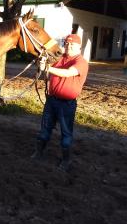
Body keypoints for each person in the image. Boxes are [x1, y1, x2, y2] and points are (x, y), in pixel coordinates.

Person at [31, 34, 89, 171]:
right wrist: (42, 61)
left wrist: (48, 69)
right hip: (51, 101)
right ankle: (39, 153)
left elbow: (68, 73)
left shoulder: (81, 62)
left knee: (66, 133)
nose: (69, 47)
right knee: (44, 129)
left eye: (72, 45)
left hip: (67, 104)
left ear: (79, 47)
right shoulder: (60, 58)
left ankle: (65, 161)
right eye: (67, 44)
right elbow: (46, 62)